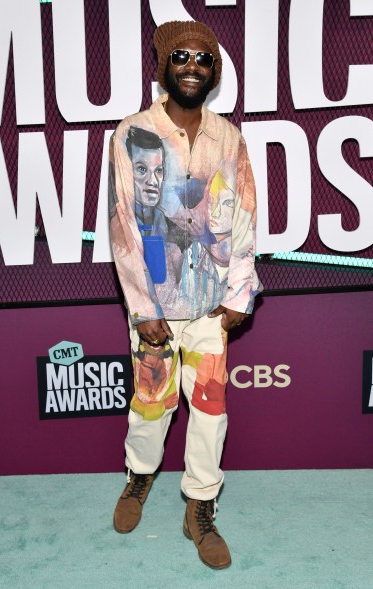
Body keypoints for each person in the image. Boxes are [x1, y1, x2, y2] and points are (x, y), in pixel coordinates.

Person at [108, 20, 262, 570]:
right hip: (156, 306)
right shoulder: (131, 134)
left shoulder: (228, 137)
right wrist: (143, 309)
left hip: (209, 308)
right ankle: (139, 479)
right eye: (182, 58)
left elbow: (243, 216)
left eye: (203, 58)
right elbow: (123, 224)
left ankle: (199, 506)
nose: (192, 67)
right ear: (164, 67)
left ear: (213, 70)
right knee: (152, 405)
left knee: (211, 408)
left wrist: (239, 295)